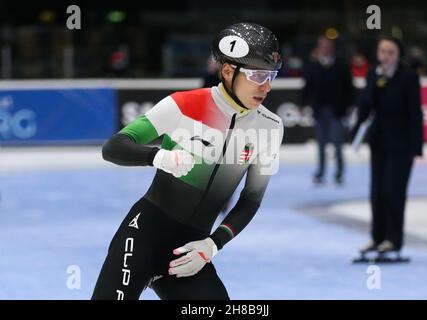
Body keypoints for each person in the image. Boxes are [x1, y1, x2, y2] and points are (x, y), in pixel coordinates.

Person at [91, 22, 284, 300]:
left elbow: (251, 199)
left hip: (189, 252)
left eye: (271, 76)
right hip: (143, 236)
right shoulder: (183, 104)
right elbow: (114, 147)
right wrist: (159, 156)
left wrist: (211, 245)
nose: (265, 86)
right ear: (228, 71)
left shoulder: (271, 127)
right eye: (256, 75)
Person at [355, 36, 424, 260]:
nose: (386, 56)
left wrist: (416, 147)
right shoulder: (374, 74)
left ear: (398, 54)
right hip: (379, 142)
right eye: (383, 51)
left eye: (390, 52)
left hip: (402, 144)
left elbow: (415, 113)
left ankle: (393, 241)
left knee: (393, 192)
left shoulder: (408, 76)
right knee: (376, 192)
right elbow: (366, 105)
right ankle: (377, 237)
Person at [300, 36, 354, 185]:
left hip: (336, 110)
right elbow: (307, 86)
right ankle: (321, 173)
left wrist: (351, 104)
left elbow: (349, 86)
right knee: (321, 144)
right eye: (322, 46)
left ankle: (339, 173)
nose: (324, 49)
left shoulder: (341, 64)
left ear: (332, 48)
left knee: (337, 144)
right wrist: (302, 104)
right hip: (319, 111)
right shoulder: (313, 65)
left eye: (327, 46)